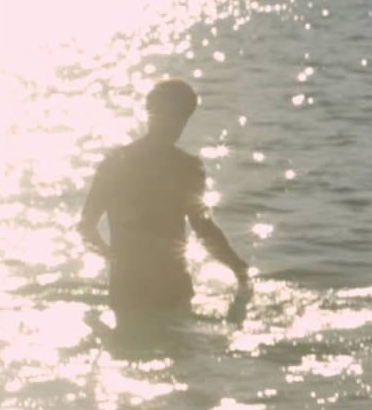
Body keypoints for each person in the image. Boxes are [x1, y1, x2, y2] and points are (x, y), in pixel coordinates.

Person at [78, 79, 251, 332]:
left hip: (128, 287)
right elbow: (204, 230)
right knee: (177, 357)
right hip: (170, 287)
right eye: (177, 116)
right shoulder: (187, 167)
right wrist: (239, 269)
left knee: (128, 352)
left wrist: (112, 258)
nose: (175, 124)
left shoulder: (115, 162)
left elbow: (86, 228)